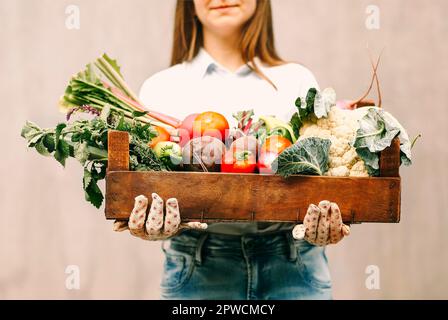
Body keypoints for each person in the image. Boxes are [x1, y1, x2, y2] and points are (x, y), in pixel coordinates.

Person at [113, 0, 350, 300]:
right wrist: (149, 222)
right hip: (198, 267)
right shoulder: (159, 89)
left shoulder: (298, 81)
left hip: (295, 263)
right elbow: (147, 184)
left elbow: (319, 182)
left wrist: (326, 221)